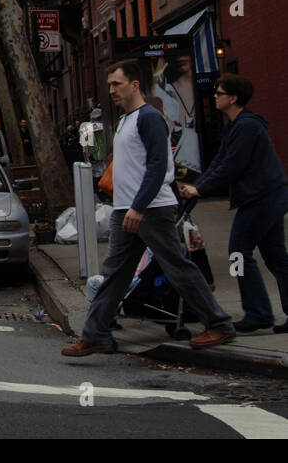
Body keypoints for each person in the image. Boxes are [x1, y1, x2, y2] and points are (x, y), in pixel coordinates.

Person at [62, 61, 236, 357]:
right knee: (115, 273)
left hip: (150, 210)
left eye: (117, 84)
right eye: (110, 85)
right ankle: (96, 335)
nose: (111, 90)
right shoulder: (126, 120)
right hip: (125, 210)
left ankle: (218, 323)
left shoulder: (150, 118)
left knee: (177, 267)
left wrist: (139, 206)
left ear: (135, 85)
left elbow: (158, 166)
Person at [177, 74, 288, 333]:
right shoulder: (235, 126)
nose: (215, 96)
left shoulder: (247, 126)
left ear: (233, 98)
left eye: (220, 93)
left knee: (238, 253)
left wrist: (200, 188)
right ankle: (260, 311)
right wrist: (198, 185)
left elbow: (232, 165)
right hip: (266, 196)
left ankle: (258, 313)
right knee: (276, 257)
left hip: (263, 198)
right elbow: (220, 162)